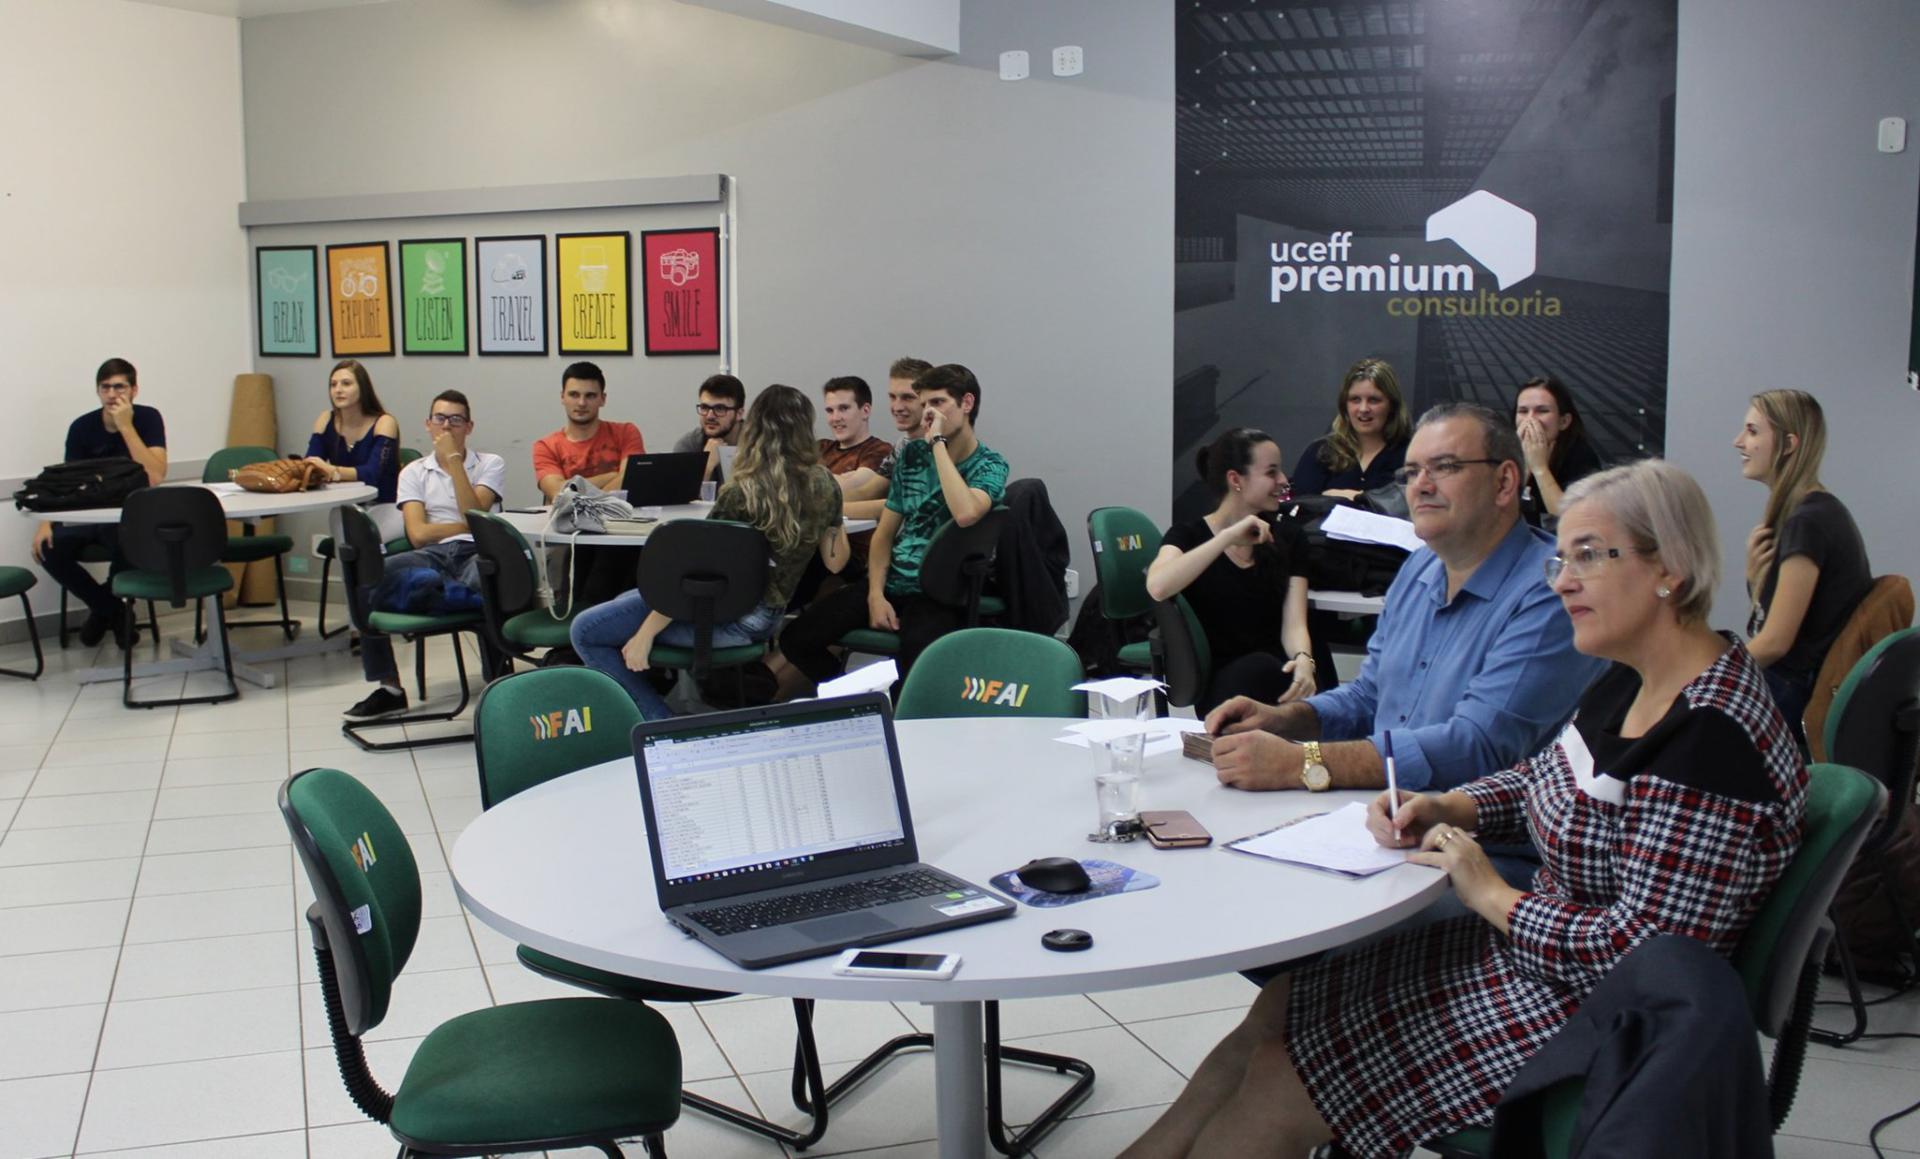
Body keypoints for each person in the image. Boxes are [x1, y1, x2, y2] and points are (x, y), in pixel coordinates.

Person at [1120, 460, 1807, 1159]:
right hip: (1540, 952)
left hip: (1599, 1013)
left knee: (1278, 1078)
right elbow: (1540, 777)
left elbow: (1641, 954)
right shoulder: (1634, 681)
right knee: (1282, 1003)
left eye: (1591, 557)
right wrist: (1448, 804)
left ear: (1672, 569)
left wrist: (1496, 896)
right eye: (1561, 559)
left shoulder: (1710, 742)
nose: (1564, 580)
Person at [1205, 403, 1606, 795]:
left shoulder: (1553, 591)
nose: (1421, 485)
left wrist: (1302, 762)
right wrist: (1282, 720)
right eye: (1412, 472)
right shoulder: (1419, 569)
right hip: (1382, 818)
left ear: (1504, 482)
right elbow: (1370, 697)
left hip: (1474, 843)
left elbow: (1480, 747)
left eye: (1445, 467)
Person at [571, 384, 848, 718]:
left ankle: (660, 723)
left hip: (722, 616)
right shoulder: (825, 484)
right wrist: (834, 518)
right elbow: (835, 563)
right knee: (620, 604)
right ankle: (657, 714)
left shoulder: (742, 491)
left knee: (585, 630)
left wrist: (646, 634)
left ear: (755, 427)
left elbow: (694, 573)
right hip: (763, 619)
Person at [771, 363, 1008, 693]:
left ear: (966, 403)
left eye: (937, 403)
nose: (928, 413)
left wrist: (937, 443)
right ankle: (858, 702)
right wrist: (875, 595)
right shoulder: (912, 455)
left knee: (917, 672)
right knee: (796, 638)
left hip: (940, 591)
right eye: (924, 404)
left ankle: (900, 712)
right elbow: (885, 533)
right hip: (894, 581)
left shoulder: (990, 464)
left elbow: (965, 512)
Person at [344, 391, 506, 721]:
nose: (447, 427)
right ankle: (389, 689)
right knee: (370, 574)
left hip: (477, 551)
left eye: (456, 420)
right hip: (431, 556)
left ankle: (499, 683)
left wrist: (455, 463)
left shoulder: (490, 463)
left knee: (488, 580)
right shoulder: (414, 472)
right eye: (440, 419)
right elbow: (417, 534)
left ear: (469, 426)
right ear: (428, 424)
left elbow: (474, 516)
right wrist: (464, 523)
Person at [1735, 389, 1872, 749]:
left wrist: (1707, 673)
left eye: (1752, 431)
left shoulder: (1807, 523)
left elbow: (1776, 642)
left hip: (1793, 698)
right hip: (1793, 691)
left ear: (1788, 443)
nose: (1739, 442)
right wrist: (1755, 576)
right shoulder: (1818, 512)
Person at [1145, 428, 1314, 715]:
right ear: (1236, 479)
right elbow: (1158, 586)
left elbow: (1295, 623)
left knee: (1297, 669)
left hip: (1275, 669)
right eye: (1271, 472)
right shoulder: (1188, 535)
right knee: (1259, 668)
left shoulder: (1289, 537)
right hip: (1223, 683)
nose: (1283, 481)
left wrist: (1304, 659)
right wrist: (1225, 538)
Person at [32, 357, 168, 649]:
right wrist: (46, 523)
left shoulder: (148, 418)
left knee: (128, 541)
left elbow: (155, 475)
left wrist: (126, 427)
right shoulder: (82, 427)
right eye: (105, 387)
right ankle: (112, 610)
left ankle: (103, 613)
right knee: (47, 548)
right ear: (97, 391)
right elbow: (64, 484)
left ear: (134, 390)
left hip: (130, 518)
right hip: (89, 517)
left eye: (119, 387)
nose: (112, 394)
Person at [532, 361, 646, 609]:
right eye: (574, 394)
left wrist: (579, 489)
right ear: (562, 397)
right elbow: (561, 494)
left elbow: (631, 481)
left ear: (602, 399)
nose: (581, 403)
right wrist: (613, 475)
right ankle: (584, 629)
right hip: (573, 535)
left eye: (590, 395)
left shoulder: (626, 432)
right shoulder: (546, 446)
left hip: (622, 530)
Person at [1288, 357, 1411, 499]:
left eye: (1374, 400)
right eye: (1355, 400)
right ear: (1344, 406)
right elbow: (1299, 509)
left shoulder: (1410, 456)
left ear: (1392, 405)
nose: (1363, 409)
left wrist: (1355, 497)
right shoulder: (1319, 454)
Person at [843, 356, 933, 521]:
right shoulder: (903, 444)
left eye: (907, 397)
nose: (897, 407)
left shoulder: (940, 445)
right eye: (892, 397)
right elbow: (869, 491)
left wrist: (830, 509)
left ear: (929, 400)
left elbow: (902, 506)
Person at [301, 359, 401, 504]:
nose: (338, 390)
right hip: (346, 504)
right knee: (340, 521)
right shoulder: (326, 419)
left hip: (384, 505)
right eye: (333, 384)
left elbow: (372, 474)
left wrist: (332, 471)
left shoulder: (384, 422)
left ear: (363, 388)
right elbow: (312, 465)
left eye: (346, 384)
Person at [1514, 374, 1604, 527]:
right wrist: (1523, 470)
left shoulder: (1581, 457)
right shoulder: (1504, 453)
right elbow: (1492, 518)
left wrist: (1540, 469)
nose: (1530, 419)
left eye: (1542, 411)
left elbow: (1576, 521)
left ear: (1564, 421)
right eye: (1523, 411)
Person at [817, 375, 892, 490]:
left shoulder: (880, 450)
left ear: (865, 411)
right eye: (830, 411)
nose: (835, 418)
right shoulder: (820, 447)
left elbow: (849, 486)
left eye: (844, 408)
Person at [671, 373, 745, 484]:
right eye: (704, 408)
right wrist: (706, 465)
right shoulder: (689, 445)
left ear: (739, 413)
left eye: (720, 408)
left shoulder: (759, 443)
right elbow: (680, 496)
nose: (710, 416)